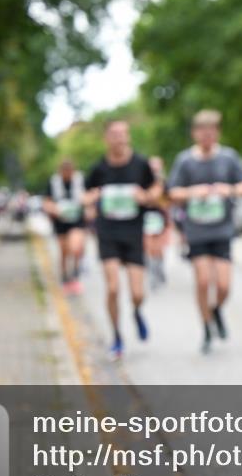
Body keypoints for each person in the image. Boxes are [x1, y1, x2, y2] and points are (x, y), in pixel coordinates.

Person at [167, 110, 242, 354]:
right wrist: (194, 192)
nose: (207, 136)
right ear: (195, 134)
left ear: (217, 133)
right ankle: (205, 328)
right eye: (202, 132)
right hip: (197, 231)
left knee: (223, 286)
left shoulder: (229, 158)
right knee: (203, 282)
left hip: (222, 229)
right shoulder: (185, 161)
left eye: (211, 132)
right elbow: (172, 193)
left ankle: (214, 310)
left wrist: (230, 190)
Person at [84, 121, 161, 359]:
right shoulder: (98, 168)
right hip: (108, 231)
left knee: (137, 292)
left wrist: (146, 196)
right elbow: (85, 195)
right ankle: (117, 336)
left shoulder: (141, 164)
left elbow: (158, 188)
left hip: (133, 232)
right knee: (113, 287)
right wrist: (91, 198)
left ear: (128, 137)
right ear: (106, 138)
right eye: (114, 134)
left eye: (122, 134)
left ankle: (137, 311)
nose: (118, 138)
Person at [42, 159, 87, 294]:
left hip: (76, 221)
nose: (67, 174)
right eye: (64, 171)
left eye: (70, 171)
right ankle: (64, 276)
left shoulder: (81, 180)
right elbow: (47, 201)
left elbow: (88, 195)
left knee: (75, 247)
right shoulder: (53, 182)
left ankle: (75, 273)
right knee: (64, 251)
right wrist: (52, 209)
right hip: (60, 221)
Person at [143, 156, 172, 289]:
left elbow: (168, 200)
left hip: (160, 218)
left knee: (159, 248)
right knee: (148, 246)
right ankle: (152, 273)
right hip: (146, 217)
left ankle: (159, 268)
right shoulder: (143, 181)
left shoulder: (165, 183)